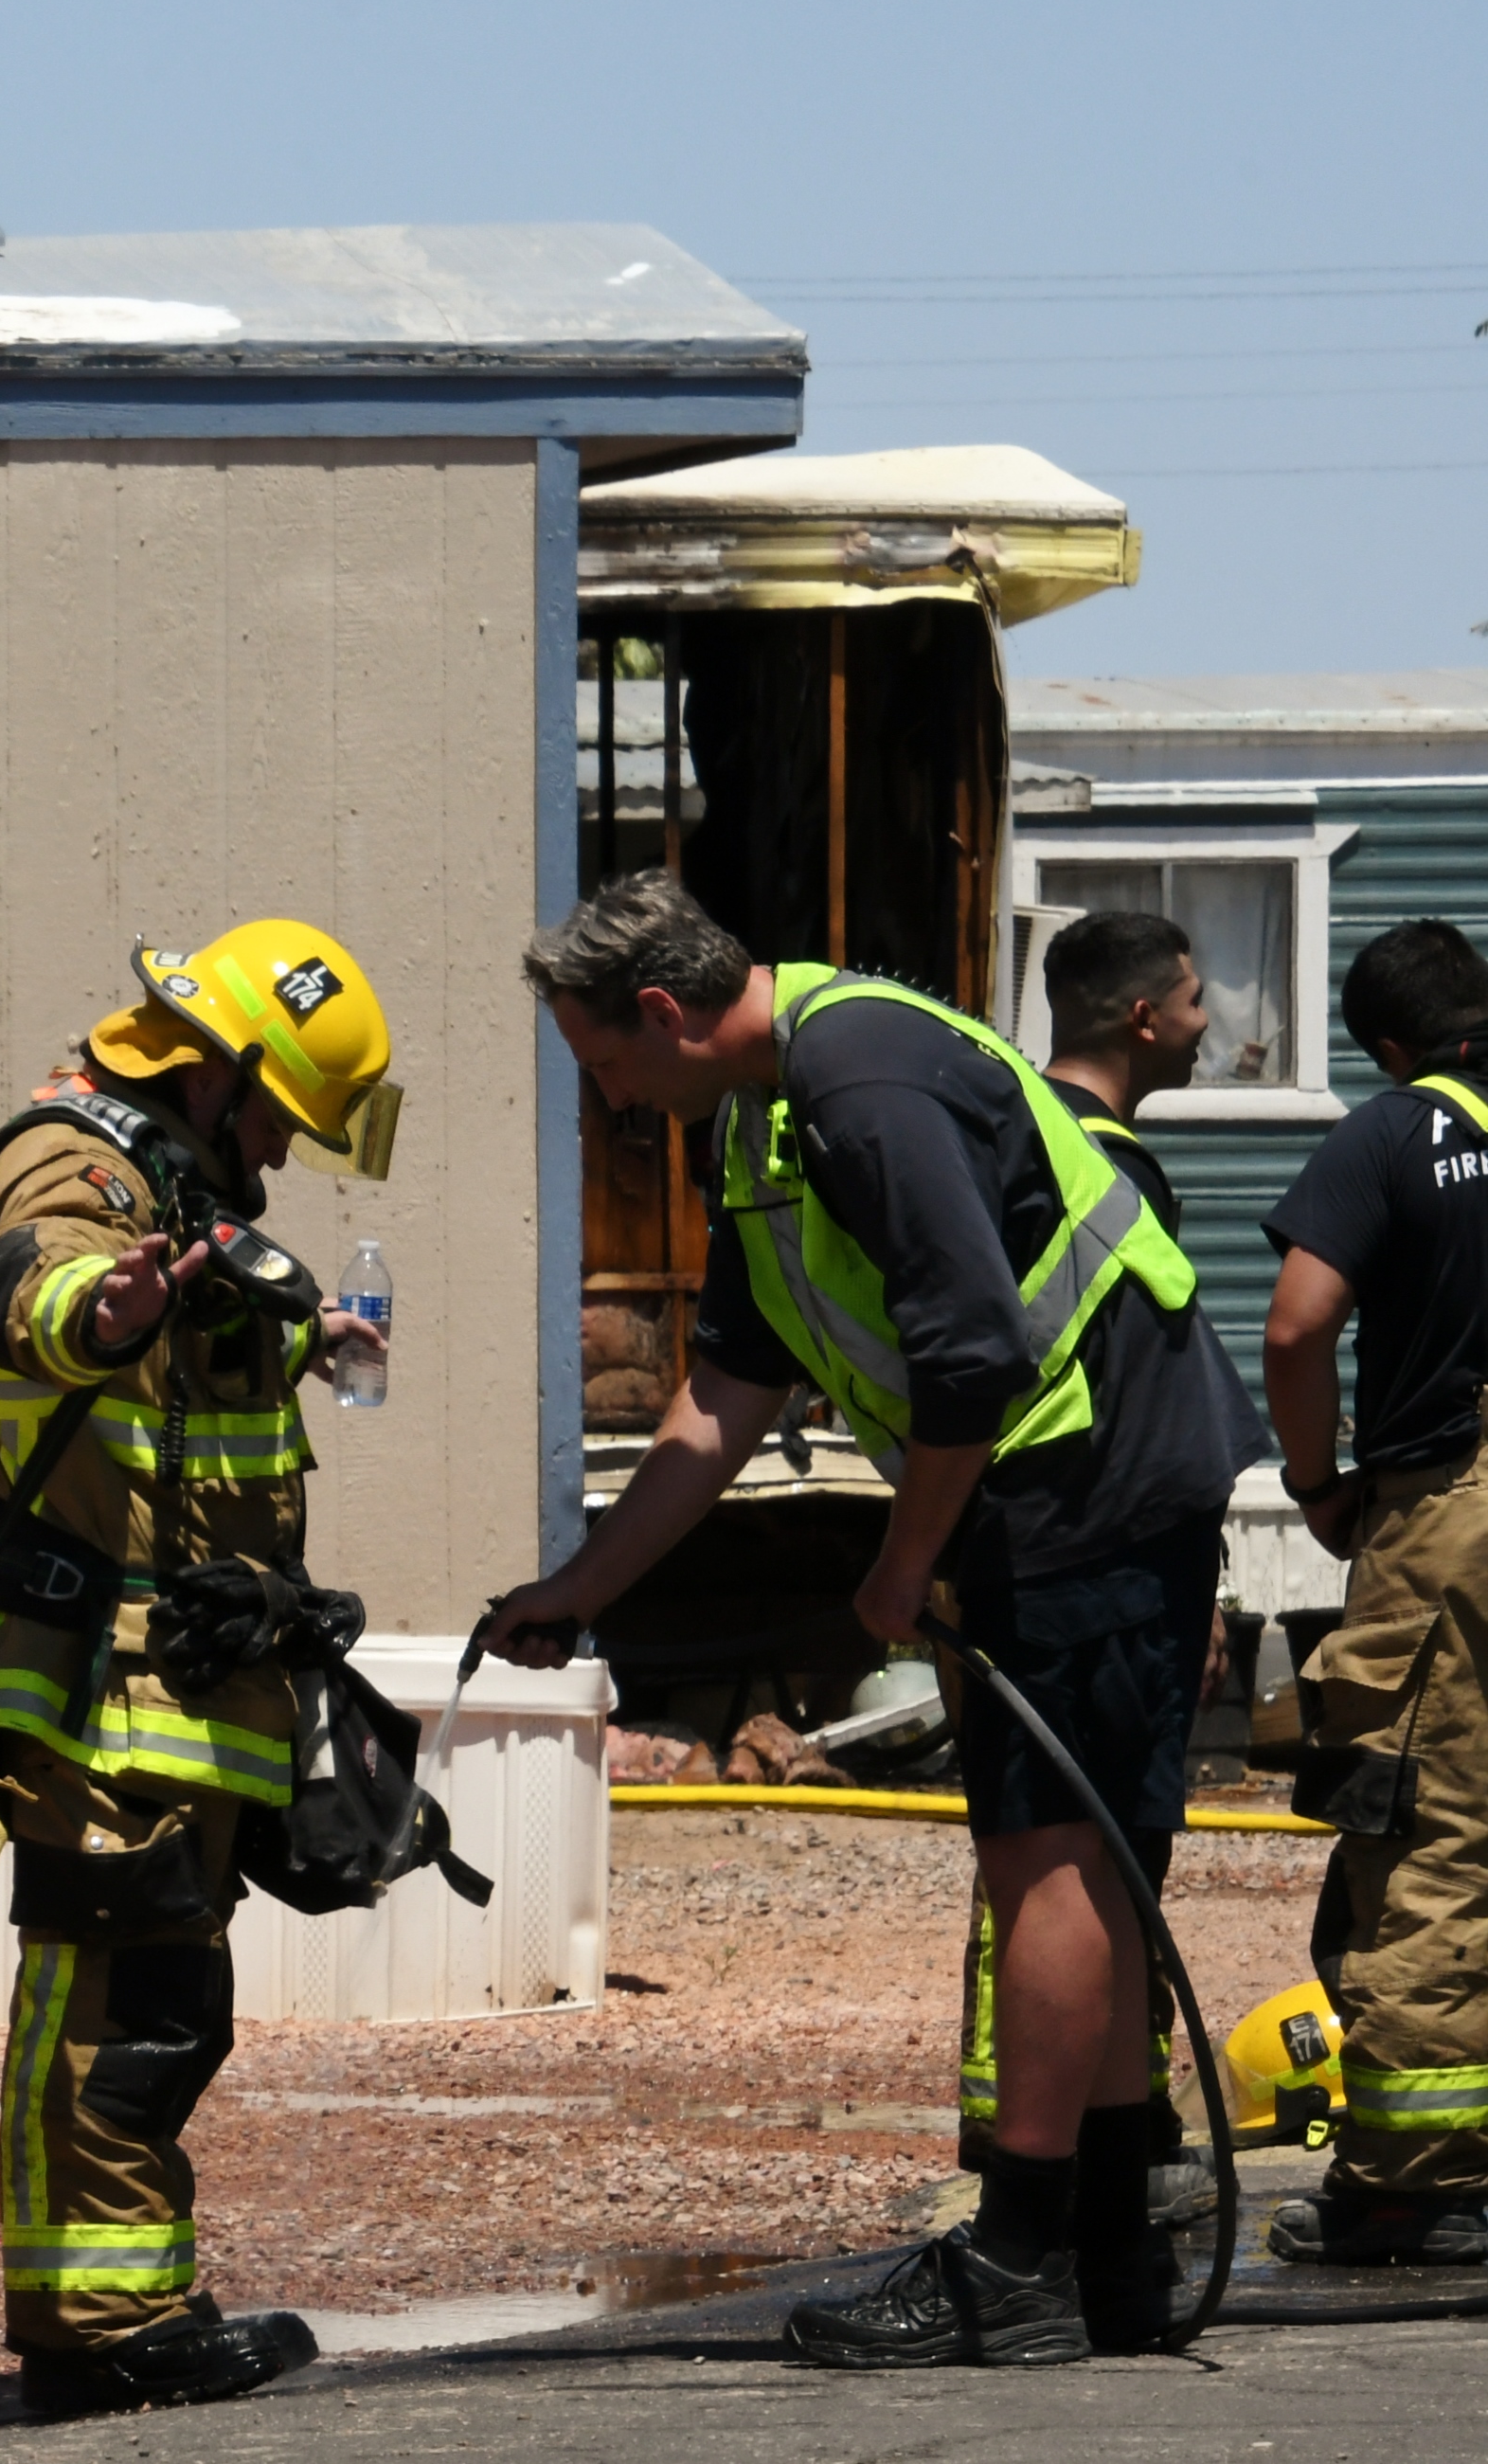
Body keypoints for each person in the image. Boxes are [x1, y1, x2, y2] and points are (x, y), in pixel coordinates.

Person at [493, 872, 1263, 2366]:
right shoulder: (762, 1116)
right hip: (1056, 1475)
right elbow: (724, 1393)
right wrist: (578, 1588)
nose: (611, 1100)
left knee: (1047, 1856)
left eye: (603, 1063)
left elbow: (970, 1350)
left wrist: (902, 1564)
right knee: (1080, 1861)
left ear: (659, 1010)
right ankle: (1108, 2250)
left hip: (1090, 1474)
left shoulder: (861, 1079)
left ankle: (1018, 2256)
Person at [0, 920, 393, 2415]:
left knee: (162, 2005)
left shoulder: (178, 1184)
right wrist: (98, 1309)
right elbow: (30, 1288)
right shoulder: (74, 1167)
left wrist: (293, 1334)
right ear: (216, 1074)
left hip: (181, 1685)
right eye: (279, 1114)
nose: (282, 1147)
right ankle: (92, 2326)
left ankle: (124, 2299)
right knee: (110, 1998)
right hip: (100, 1684)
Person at [953, 911, 1244, 2224]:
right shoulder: (1094, 1167)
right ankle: (1061, 2191)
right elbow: (1119, 1405)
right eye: (1195, 1000)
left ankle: (1074, 2174)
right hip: (1091, 1570)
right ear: (1141, 1015)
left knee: (1056, 1861)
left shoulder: (1020, 1142)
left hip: (1065, 1558)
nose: (1207, 1024)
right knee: (1088, 1864)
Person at [1261, 918, 1488, 2264]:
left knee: (1427, 1835)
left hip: (1451, 1508)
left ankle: (1416, 2182)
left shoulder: (1396, 1132)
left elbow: (1298, 1324)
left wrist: (1315, 1483)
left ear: (1391, 1046)